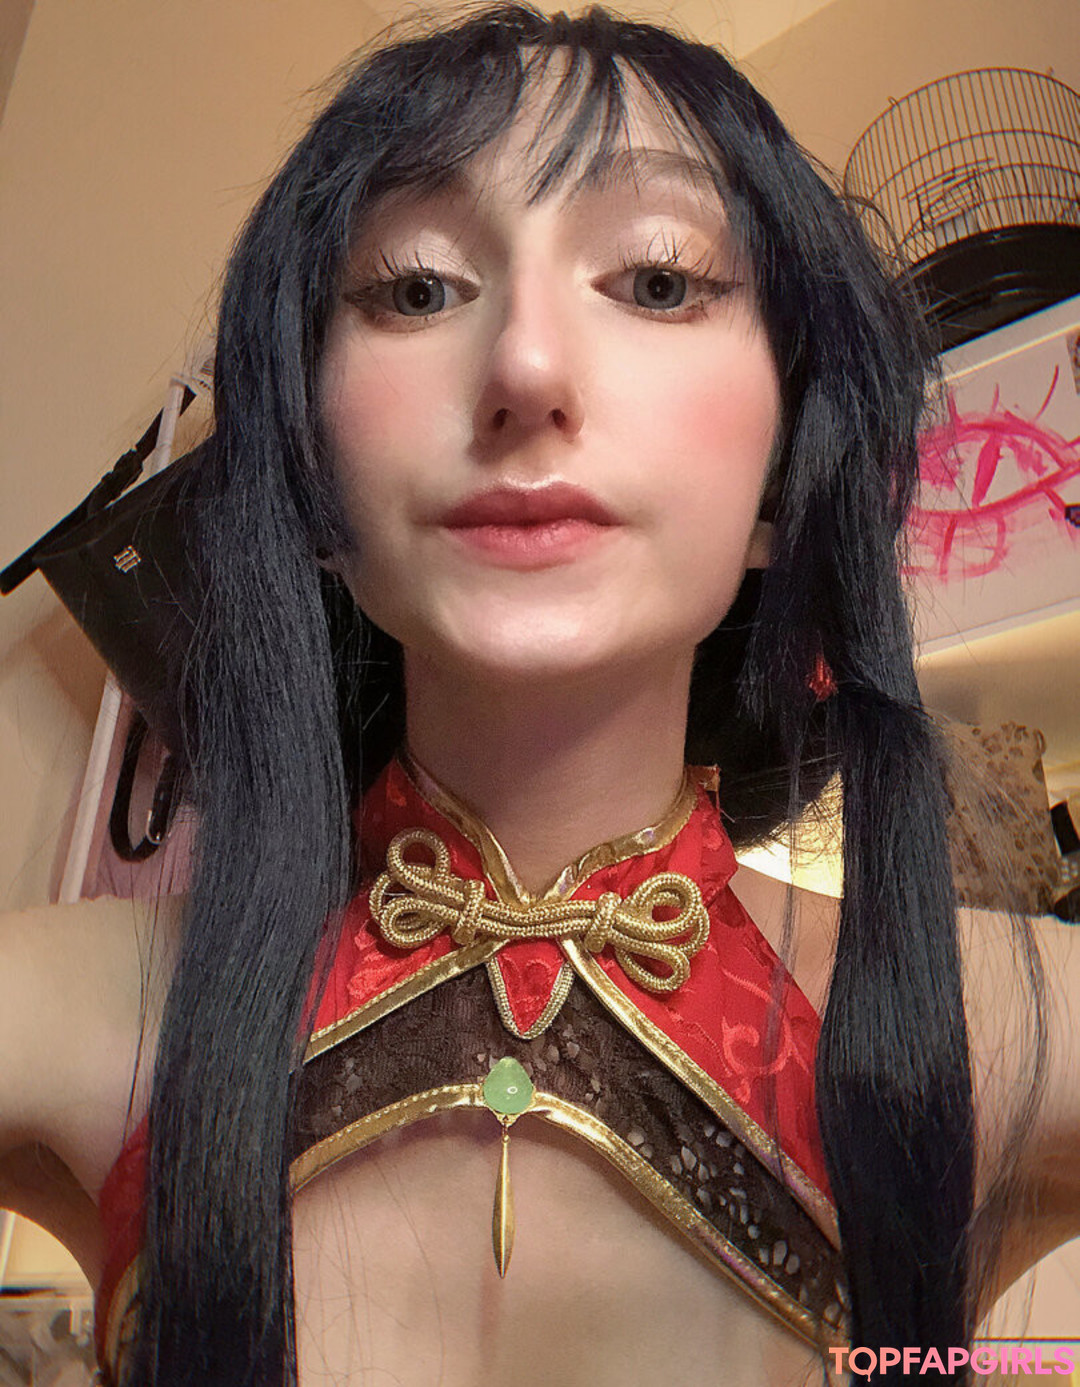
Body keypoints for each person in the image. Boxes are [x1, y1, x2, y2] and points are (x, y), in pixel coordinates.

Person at [1, 6, 1077, 1385]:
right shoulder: (78, 1017)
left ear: (785, 467)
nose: (523, 368)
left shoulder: (1003, 1034)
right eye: (417, 290)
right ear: (312, 479)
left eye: (659, 280)